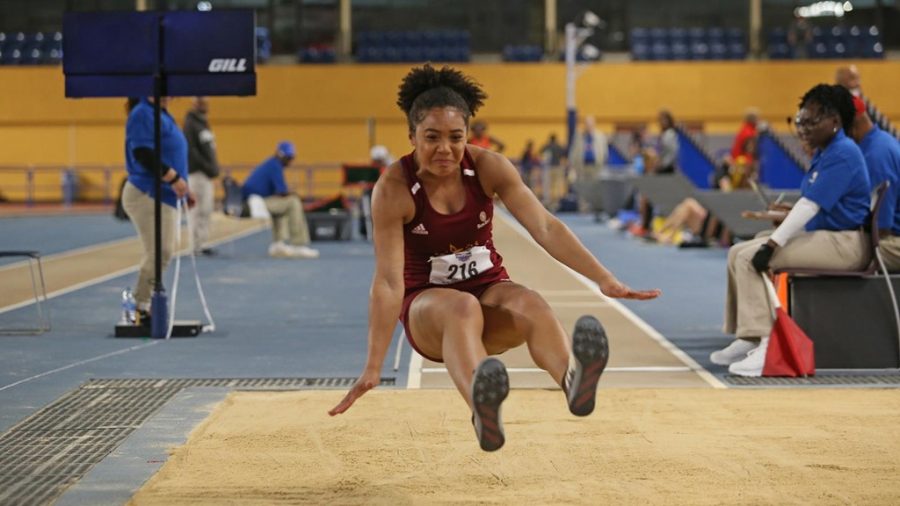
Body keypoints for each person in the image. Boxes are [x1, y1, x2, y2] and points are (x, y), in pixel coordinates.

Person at [328, 64, 660, 451]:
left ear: (468, 134)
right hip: (429, 312)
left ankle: (573, 382)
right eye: (431, 137)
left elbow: (547, 228)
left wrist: (605, 279)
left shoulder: (489, 167)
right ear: (412, 135)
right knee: (461, 308)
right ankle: (482, 406)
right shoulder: (395, 187)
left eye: (455, 137)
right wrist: (374, 365)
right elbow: (387, 281)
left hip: (489, 292)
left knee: (530, 302)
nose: (444, 149)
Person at [712, 84, 872, 376]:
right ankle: (747, 334)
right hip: (830, 236)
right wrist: (779, 224)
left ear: (835, 122)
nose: (803, 128)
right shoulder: (826, 152)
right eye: (800, 121)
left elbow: (810, 206)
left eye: (812, 121)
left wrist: (772, 245)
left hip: (846, 244)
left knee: (753, 256)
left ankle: (767, 344)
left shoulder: (843, 153)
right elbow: (814, 205)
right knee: (738, 251)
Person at [122, 96, 194, 325]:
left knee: (164, 251)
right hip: (148, 192)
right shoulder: (143, 113)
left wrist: (182, 185)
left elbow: (169, 153)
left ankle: (147, 304)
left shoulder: (162, 114)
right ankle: (139, 306)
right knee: (160, 251)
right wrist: (173, 178)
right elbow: (143, 153)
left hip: (166, 193)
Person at [241, 141, 319, 259]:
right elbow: (282, 192)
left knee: (282, 205)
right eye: (288, 158)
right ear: (281, 155)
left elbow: (278, 194)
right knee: (293, 202)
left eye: (291, 158)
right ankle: (298, 245)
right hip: (252, 203)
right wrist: (293, 194)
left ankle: (278, 244)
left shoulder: (271, 164)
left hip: (253, 201)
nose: (290, 161)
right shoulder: (275, 166)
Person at [850, 97, 900, 271]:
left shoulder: (876, 156)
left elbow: (881, 229)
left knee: (832, 252)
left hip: (894, 241)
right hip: (890, 235)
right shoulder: (873, 145)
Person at [183, 96, 220, 257]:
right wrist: (206, 167)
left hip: (206, 174)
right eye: (201, 102)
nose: (205, 104)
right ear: (194, 103)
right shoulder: (191, 124)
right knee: (196, 211)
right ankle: (194, 245)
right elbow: (191, 151)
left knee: (206, 209)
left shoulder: (204, 124)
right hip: (196, 174)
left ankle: (203, 242)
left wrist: (213, 168)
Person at [634, 109, 678, 237]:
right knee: (646, 197)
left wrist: (658, 166)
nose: (661, 122)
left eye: (664, 120)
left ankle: (646, 226)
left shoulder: (669, 134)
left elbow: (670, 156)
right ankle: (646, 225)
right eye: (660, 120)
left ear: (669, 120)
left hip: (665, 172)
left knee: (648, 196)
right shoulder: (665, 134)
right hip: (662, 170)